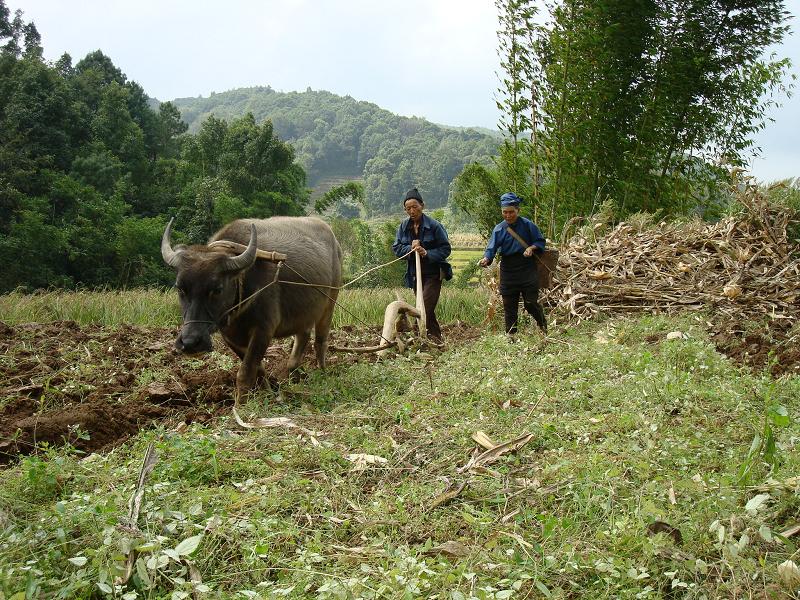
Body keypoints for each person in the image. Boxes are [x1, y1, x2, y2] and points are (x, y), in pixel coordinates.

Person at [479, 192, 547, 334]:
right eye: (505, 212)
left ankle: (543, 325)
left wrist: (531, 247)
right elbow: (491, 248)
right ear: (501, 211)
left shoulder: (528, 225)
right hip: (508, 269)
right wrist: (486, 258)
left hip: (527, 268)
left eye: (511, 212)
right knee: (509, 306)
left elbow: (540, 241)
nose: (508, 215)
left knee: (530, 304)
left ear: (518, 210)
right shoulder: (499, 229)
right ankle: (511, 336)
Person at [392, 187, 452, 341]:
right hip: (415, 275)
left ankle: (419, 334)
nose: (412, 211)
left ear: (422, 206)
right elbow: (397, 248)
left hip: (433, 273)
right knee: (426, 309)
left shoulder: (434, 226)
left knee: (424, 307)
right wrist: (409, 248)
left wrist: (427, 253)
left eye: (415, 207)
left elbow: (445, 249)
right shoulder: (403, 227)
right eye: (408, 208)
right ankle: (436, 337)